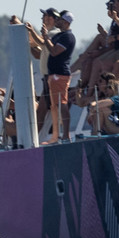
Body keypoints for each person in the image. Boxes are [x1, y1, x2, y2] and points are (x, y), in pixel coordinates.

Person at [28, 9, 76, 144]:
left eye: (60, 19)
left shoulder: (67, 37)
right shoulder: (60, 35)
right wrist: (35, 33)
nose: (58, 21)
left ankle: (65, 135)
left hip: (59, 74)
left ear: (66, 22)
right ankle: (53, 136)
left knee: (61, 105)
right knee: (54, 106)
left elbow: (54, 51)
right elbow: (44, 44)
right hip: (53, 75)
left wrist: (46, 37)